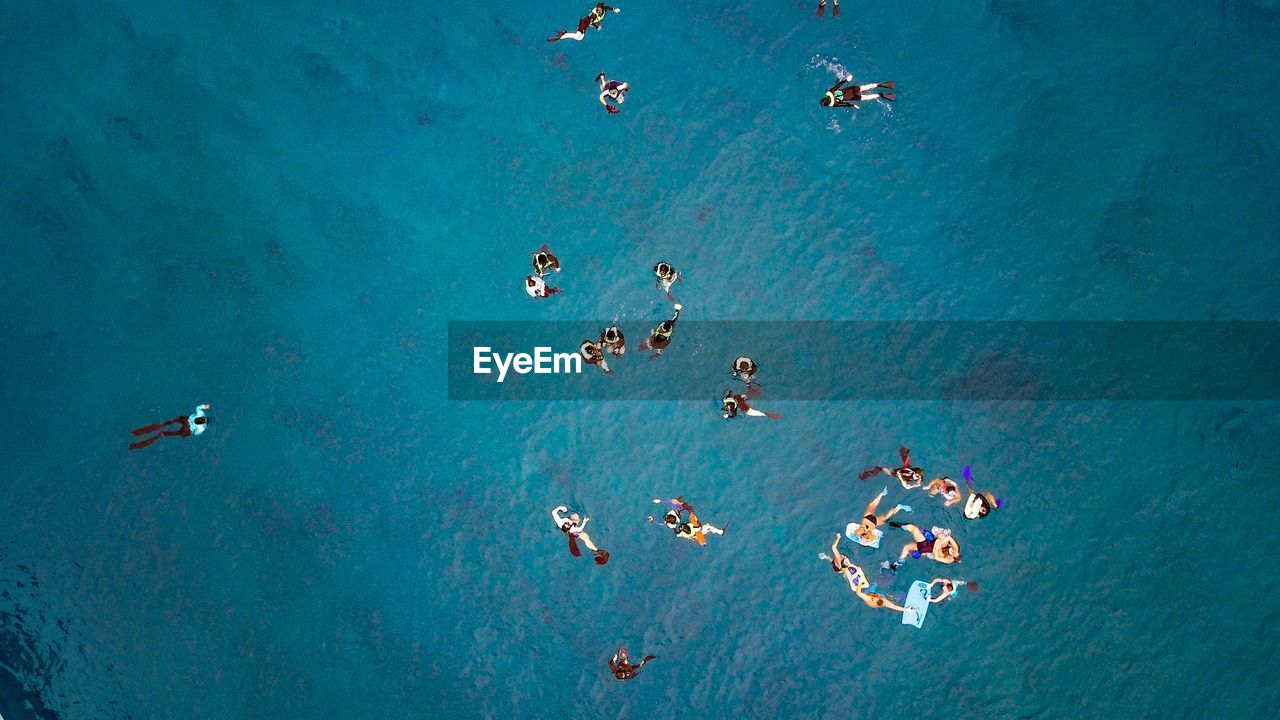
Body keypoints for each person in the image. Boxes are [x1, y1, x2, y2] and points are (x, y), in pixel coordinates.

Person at [822, 536, 905, 611]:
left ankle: (827, 558)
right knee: (841, 570)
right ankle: (827, 558)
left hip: (852, 575)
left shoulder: (881, 600)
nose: (846, 557)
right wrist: (860, 577)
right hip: (848, 574)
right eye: (845, 558)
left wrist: (838, 538)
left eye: (845, 557)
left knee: (877, 585)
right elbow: (852, 581)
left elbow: (834, 547)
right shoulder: (842, 565)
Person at [129, 403, 211, 450]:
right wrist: (206, 406)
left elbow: (196, 432)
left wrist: (206, 406)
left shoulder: (201, 423)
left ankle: (138, 441)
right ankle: (138, 441)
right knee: (163, 430)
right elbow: (195, 433)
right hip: (186, 423)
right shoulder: (201, 421)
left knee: (163, 429)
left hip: (186, 425)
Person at [886, 523, 961, 571]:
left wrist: (937, 545)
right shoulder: (956, 549)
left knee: (914, 529)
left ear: (953, 557)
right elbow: (948, 538)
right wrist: (940, 543)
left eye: (953, 553)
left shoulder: (949, 560)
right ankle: (898, 562)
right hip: (928, 545)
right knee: (906, 547)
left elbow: (937, 557)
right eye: (955, 551)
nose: (954, 551)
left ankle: (903, 526)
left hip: (927, 546)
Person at [547, 3, 621, 43]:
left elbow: (607, 7)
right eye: (598, 10)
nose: (599, 11)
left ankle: (564, 34)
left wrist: (614, 9)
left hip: (586, 23)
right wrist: (596, 27)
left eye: (600, 10)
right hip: (584, 22)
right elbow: (591, 22)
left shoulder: (604, 8)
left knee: (580, 38)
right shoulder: (594, 15)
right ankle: (563, 35)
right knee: (578, 35)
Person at [858, 446, 924, 489]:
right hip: (897, 473)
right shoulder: (909, 475)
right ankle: (873, 471)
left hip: (901, 474)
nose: (919, 477)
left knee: (906, 465)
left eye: (919, 476)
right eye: (918, 475)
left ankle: (902, 455)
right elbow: (906, 486)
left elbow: (907, 485)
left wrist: (916, 483)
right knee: (883, 469)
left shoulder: (918, 477)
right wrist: (900, 476)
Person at [820, 78, 895, 107]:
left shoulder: (834, 104)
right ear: (826, 97)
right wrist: (846, 80)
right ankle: (878, 84)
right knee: (865, 87)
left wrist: (852, 105)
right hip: (851, 89)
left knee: (867, 97)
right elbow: (838, 85)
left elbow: (844, 104)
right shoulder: (831, 92)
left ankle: (880, 95)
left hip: (852, 97)